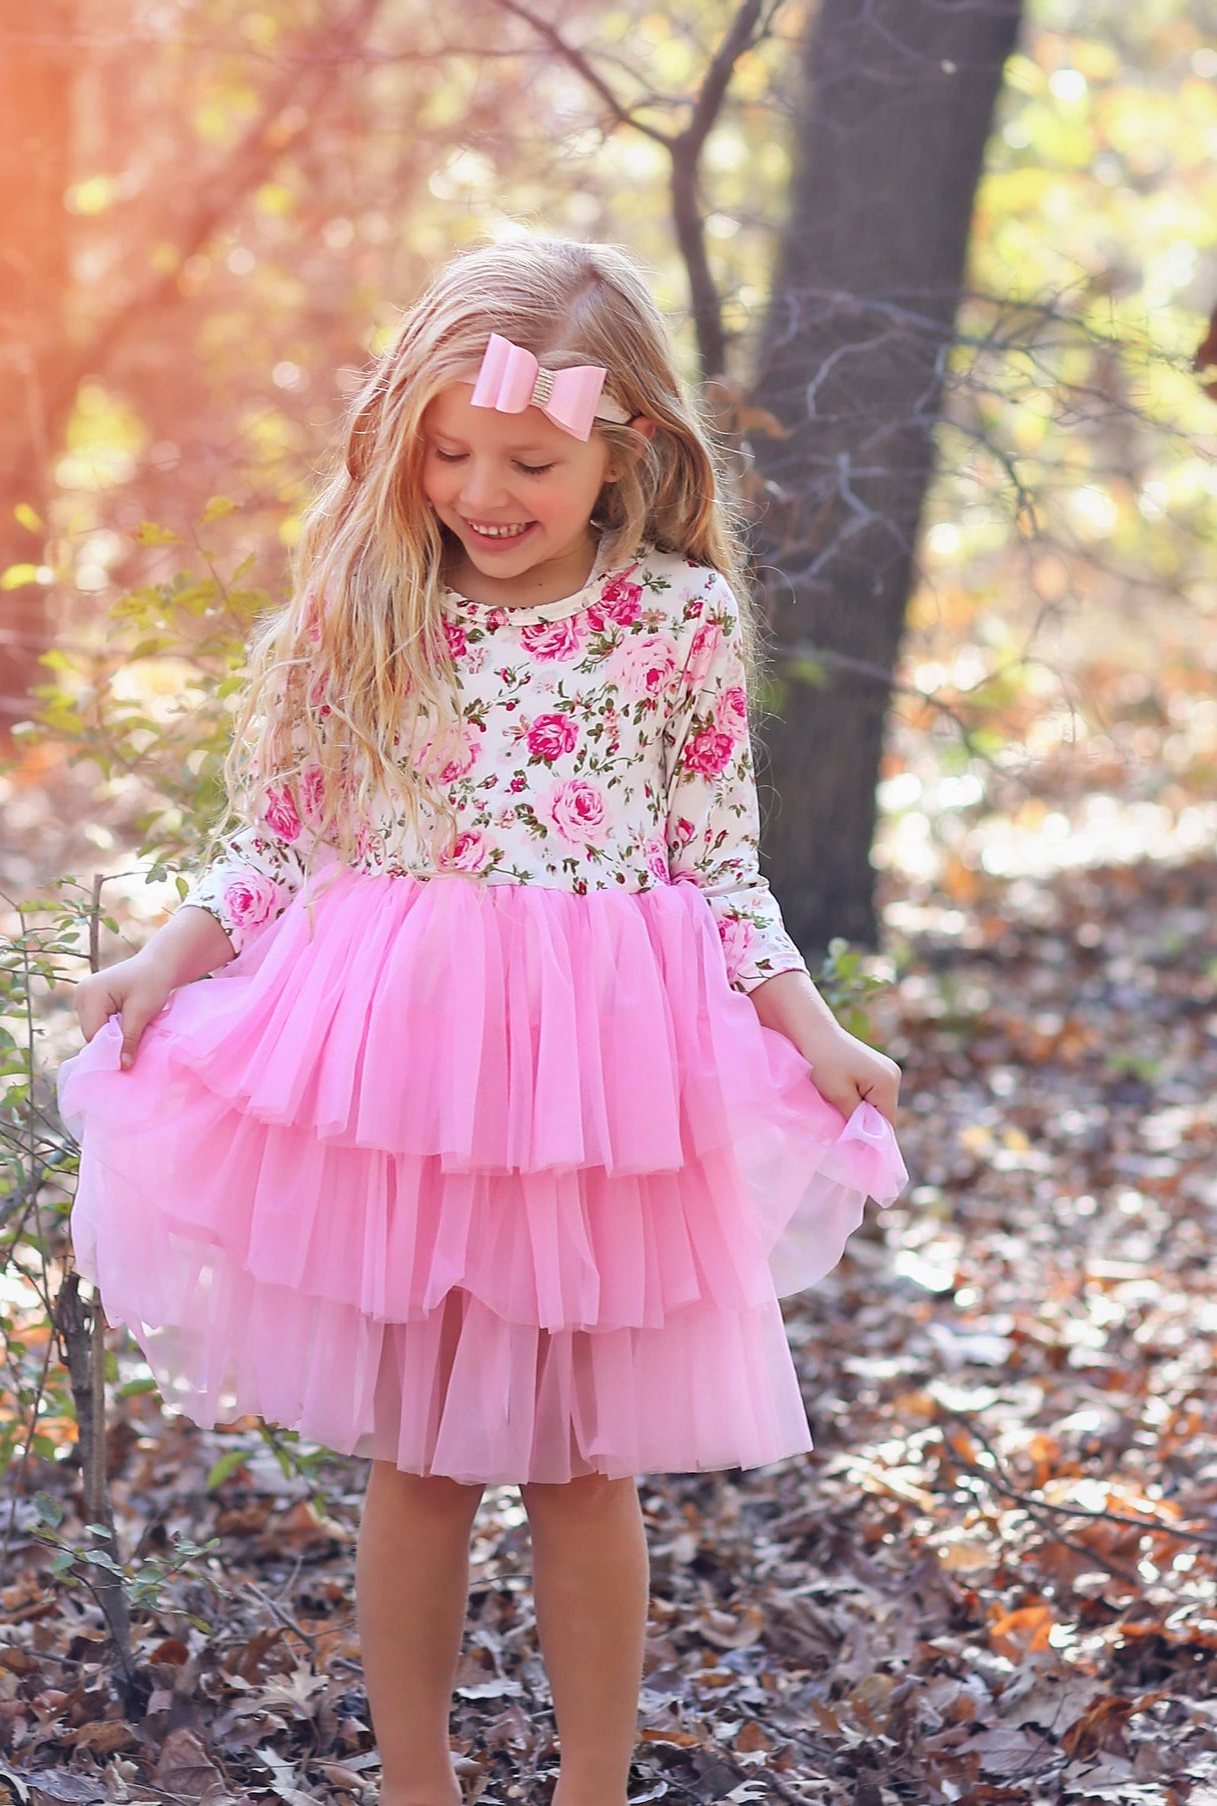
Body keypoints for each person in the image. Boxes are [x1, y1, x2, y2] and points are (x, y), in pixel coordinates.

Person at [58, 237, 907, 1806]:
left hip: (598, 1081)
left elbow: (716, 859)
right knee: (424, 1455)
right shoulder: (372, 600)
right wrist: (156, 967)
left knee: (583, 1461)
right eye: (449, 451)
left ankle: (592, 1785)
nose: (481, 490)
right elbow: (275, 841)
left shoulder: (676, 620)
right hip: (406, 1077)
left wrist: (812, 1030)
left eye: (528, 458)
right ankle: (415, 1784)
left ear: (623, 450)